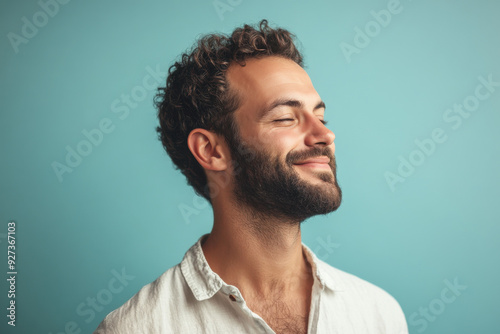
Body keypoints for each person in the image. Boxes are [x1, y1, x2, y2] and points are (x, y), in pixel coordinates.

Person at [94, 19, 408, 334]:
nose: (325, 134)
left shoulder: (378, 315)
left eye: (321, 116)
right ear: (211, 150)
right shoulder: (138, 328)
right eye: (286, 118)